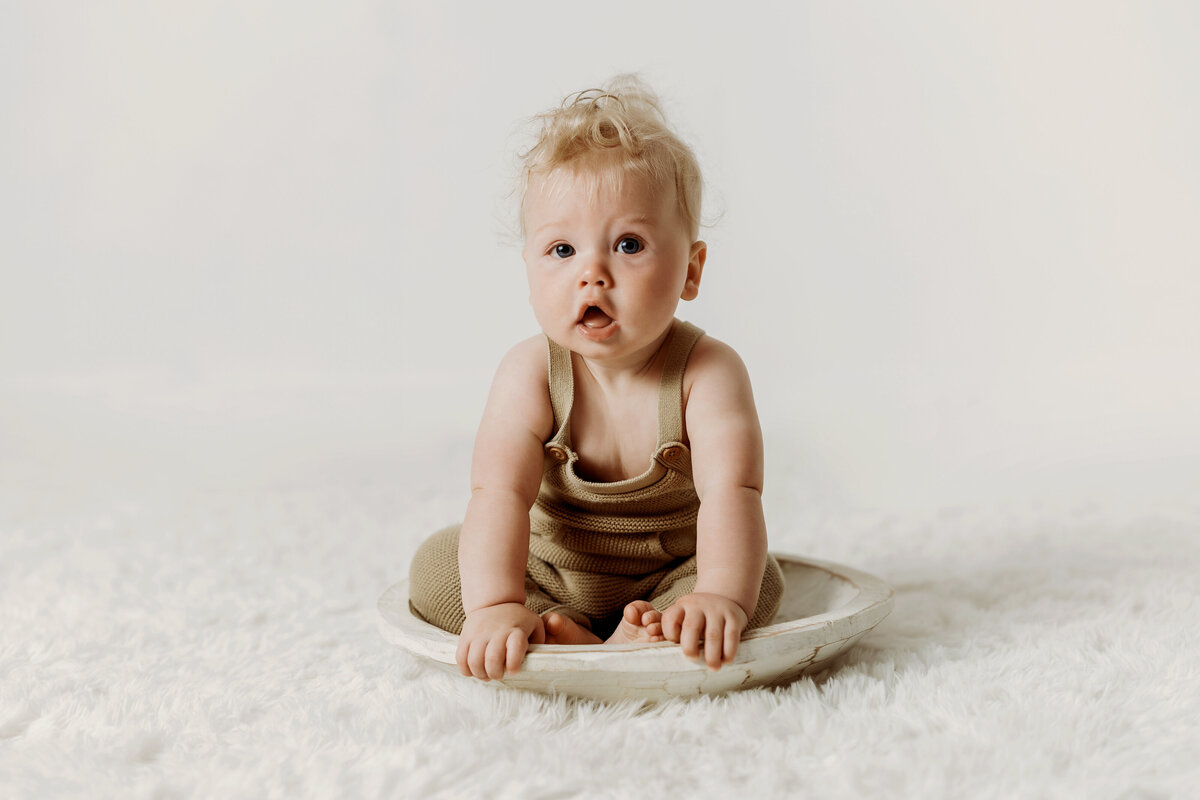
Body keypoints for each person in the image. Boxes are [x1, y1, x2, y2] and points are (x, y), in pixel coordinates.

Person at [409, 76, 783, 682]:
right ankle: (549, 622)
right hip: (549, 567)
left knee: (756, 582)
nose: (593, 275)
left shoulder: (708, 375)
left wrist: (718, 594)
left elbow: (732, 494)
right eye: (562, 251)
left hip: (669, 574)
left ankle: (653, 629)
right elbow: (498, 496)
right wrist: (496, 605)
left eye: (629, 244)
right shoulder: (529, 373)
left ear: (690, 270)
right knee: (438, 563)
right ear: (528, 269)